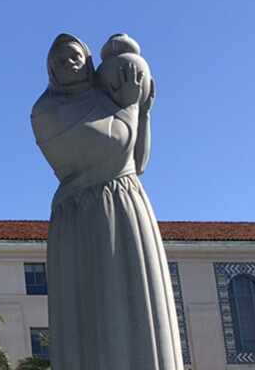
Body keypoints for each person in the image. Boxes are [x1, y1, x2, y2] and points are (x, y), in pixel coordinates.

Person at [30, 33, 182, 370]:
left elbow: (137, 161)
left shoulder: (108, 101)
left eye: (75, 56)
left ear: (87, 59)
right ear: (50, 71)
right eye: (59, 60)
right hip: (81, 211)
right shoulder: (46, 111)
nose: (68, 63)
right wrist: (130, 105)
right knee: (91, 313)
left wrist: (143, 112)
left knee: (141, 302)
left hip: (127, 202)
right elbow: (112, 147)